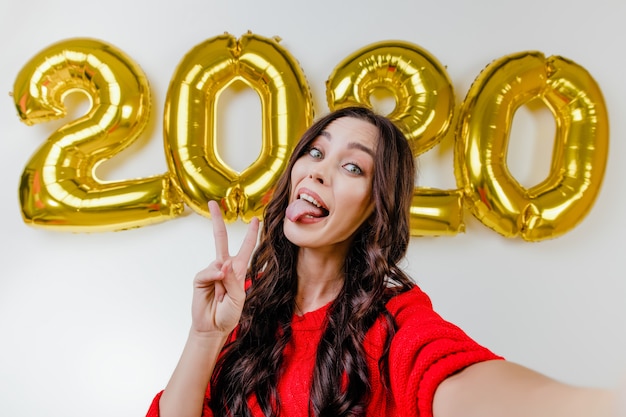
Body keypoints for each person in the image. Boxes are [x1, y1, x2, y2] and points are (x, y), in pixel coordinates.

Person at [146, 106, 618, 417]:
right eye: (315, 151)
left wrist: (591, 405)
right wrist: (205, 336)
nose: (318, 169)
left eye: (353, 167)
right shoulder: (243, 303)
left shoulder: (393, 316)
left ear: (376, 206)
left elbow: (454, 380)